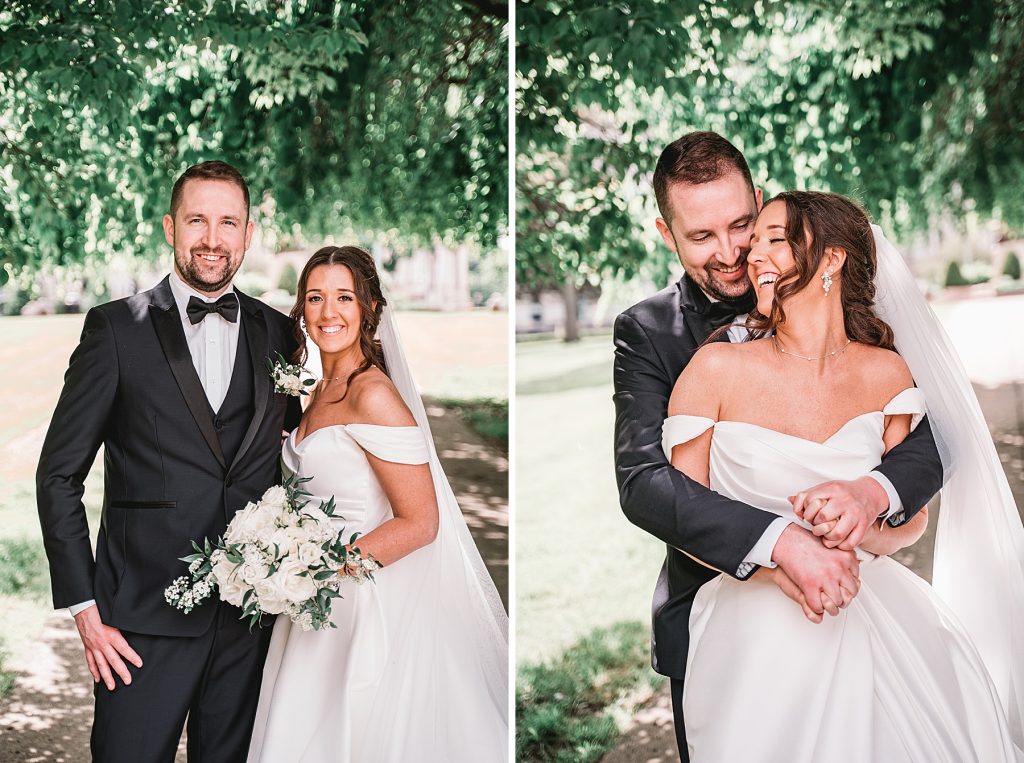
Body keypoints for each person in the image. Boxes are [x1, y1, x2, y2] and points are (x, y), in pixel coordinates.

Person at [612, 132, 945, 759]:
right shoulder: (649, 332)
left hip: (859, 606)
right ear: (666, 234)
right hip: (726, 615)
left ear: (759, 201)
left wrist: (870, 493)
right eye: (702, 237)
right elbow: (646, 484)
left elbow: (928, 442)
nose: (735, 252)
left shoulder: (852, 314)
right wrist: (782, 543)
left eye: (744, 225)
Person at [663, 190, 1023, 759]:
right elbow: (684, 519)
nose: (753, 255)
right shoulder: (714, 370)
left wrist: (858, 523)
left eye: (773, 239)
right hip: (753, 623)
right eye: (754, 242)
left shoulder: (887, 373)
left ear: (831, 259)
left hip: (876, 607)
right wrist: (785, 561)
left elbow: (910, 524)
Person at [36, 160, 302, 761]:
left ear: (249, 234)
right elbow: (58, 475)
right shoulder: (114, 330)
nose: (212, 239)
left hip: (249, 623)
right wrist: (85, 610)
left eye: (227, 222)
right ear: (170, 227)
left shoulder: (280, 335)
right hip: (138, 627)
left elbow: (295, 455)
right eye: (197, 221)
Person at [246, 246, 508, 762]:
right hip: (312, 605)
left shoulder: (374, 396)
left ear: (368, 308)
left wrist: (314, 571)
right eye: (315, 298)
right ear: (300, 309)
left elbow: (421, 522)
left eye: (343, 297)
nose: (328, 313)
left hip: (359, 603)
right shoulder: (319, 389)